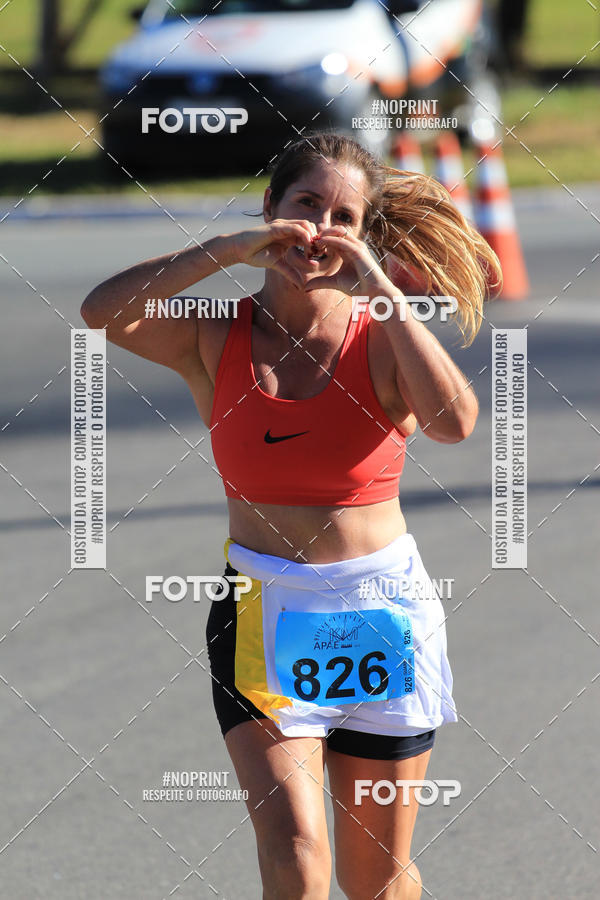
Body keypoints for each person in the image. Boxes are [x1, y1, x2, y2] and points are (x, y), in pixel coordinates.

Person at [81, 132, 501, 899]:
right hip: (262, 608)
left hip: (380, 610)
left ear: (364, 235)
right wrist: (223, 250)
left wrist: (379, 282)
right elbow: (103, 311)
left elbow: (456, 422)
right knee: (296, 854)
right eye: (306, 204)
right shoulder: (216, 333)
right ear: (273, 205)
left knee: (374, 879)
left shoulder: (382, 338)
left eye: (344, 216)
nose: (319, 227)